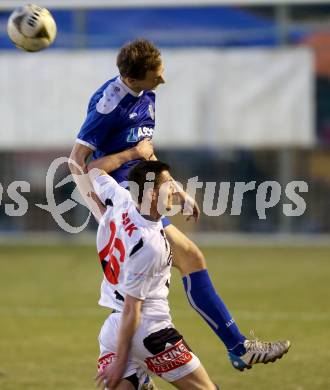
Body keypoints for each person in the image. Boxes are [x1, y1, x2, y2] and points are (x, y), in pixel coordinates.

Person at [69, 39, 290, 371]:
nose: (163, 80)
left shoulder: (147, 94)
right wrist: (103, 214)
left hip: (145, 193)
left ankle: (132, 364)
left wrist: (174, 186)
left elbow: (147, 150)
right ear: (132, 79)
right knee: (185, 260)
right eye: (156, 75)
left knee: (185, 261)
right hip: (128, 201)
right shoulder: (107, 106)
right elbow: (77, 162)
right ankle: (237, 346)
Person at [90, 160, 218, 390]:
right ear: (152, 194)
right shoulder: (149, 245)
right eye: (170, 185)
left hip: (112, 329)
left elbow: (94, 170)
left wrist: (130, 154)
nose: (175, 189)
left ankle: (138, 378)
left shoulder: (121, 198)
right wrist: (121, 360)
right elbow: (132, 308)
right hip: (148, 330)